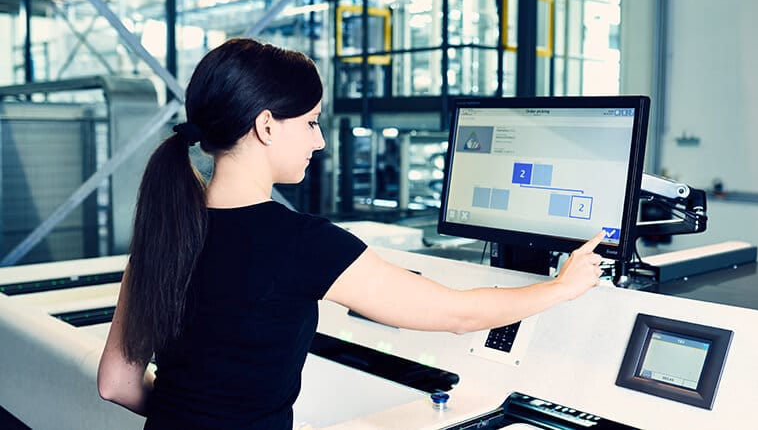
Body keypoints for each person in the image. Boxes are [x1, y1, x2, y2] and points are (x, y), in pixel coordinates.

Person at [97, 38, 605, 430]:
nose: (318, 141)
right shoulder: (303, 244)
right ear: (267, 126)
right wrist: (564, 286)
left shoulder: (164, 234)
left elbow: (116, 383)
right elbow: (457, 315)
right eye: (312, 122)